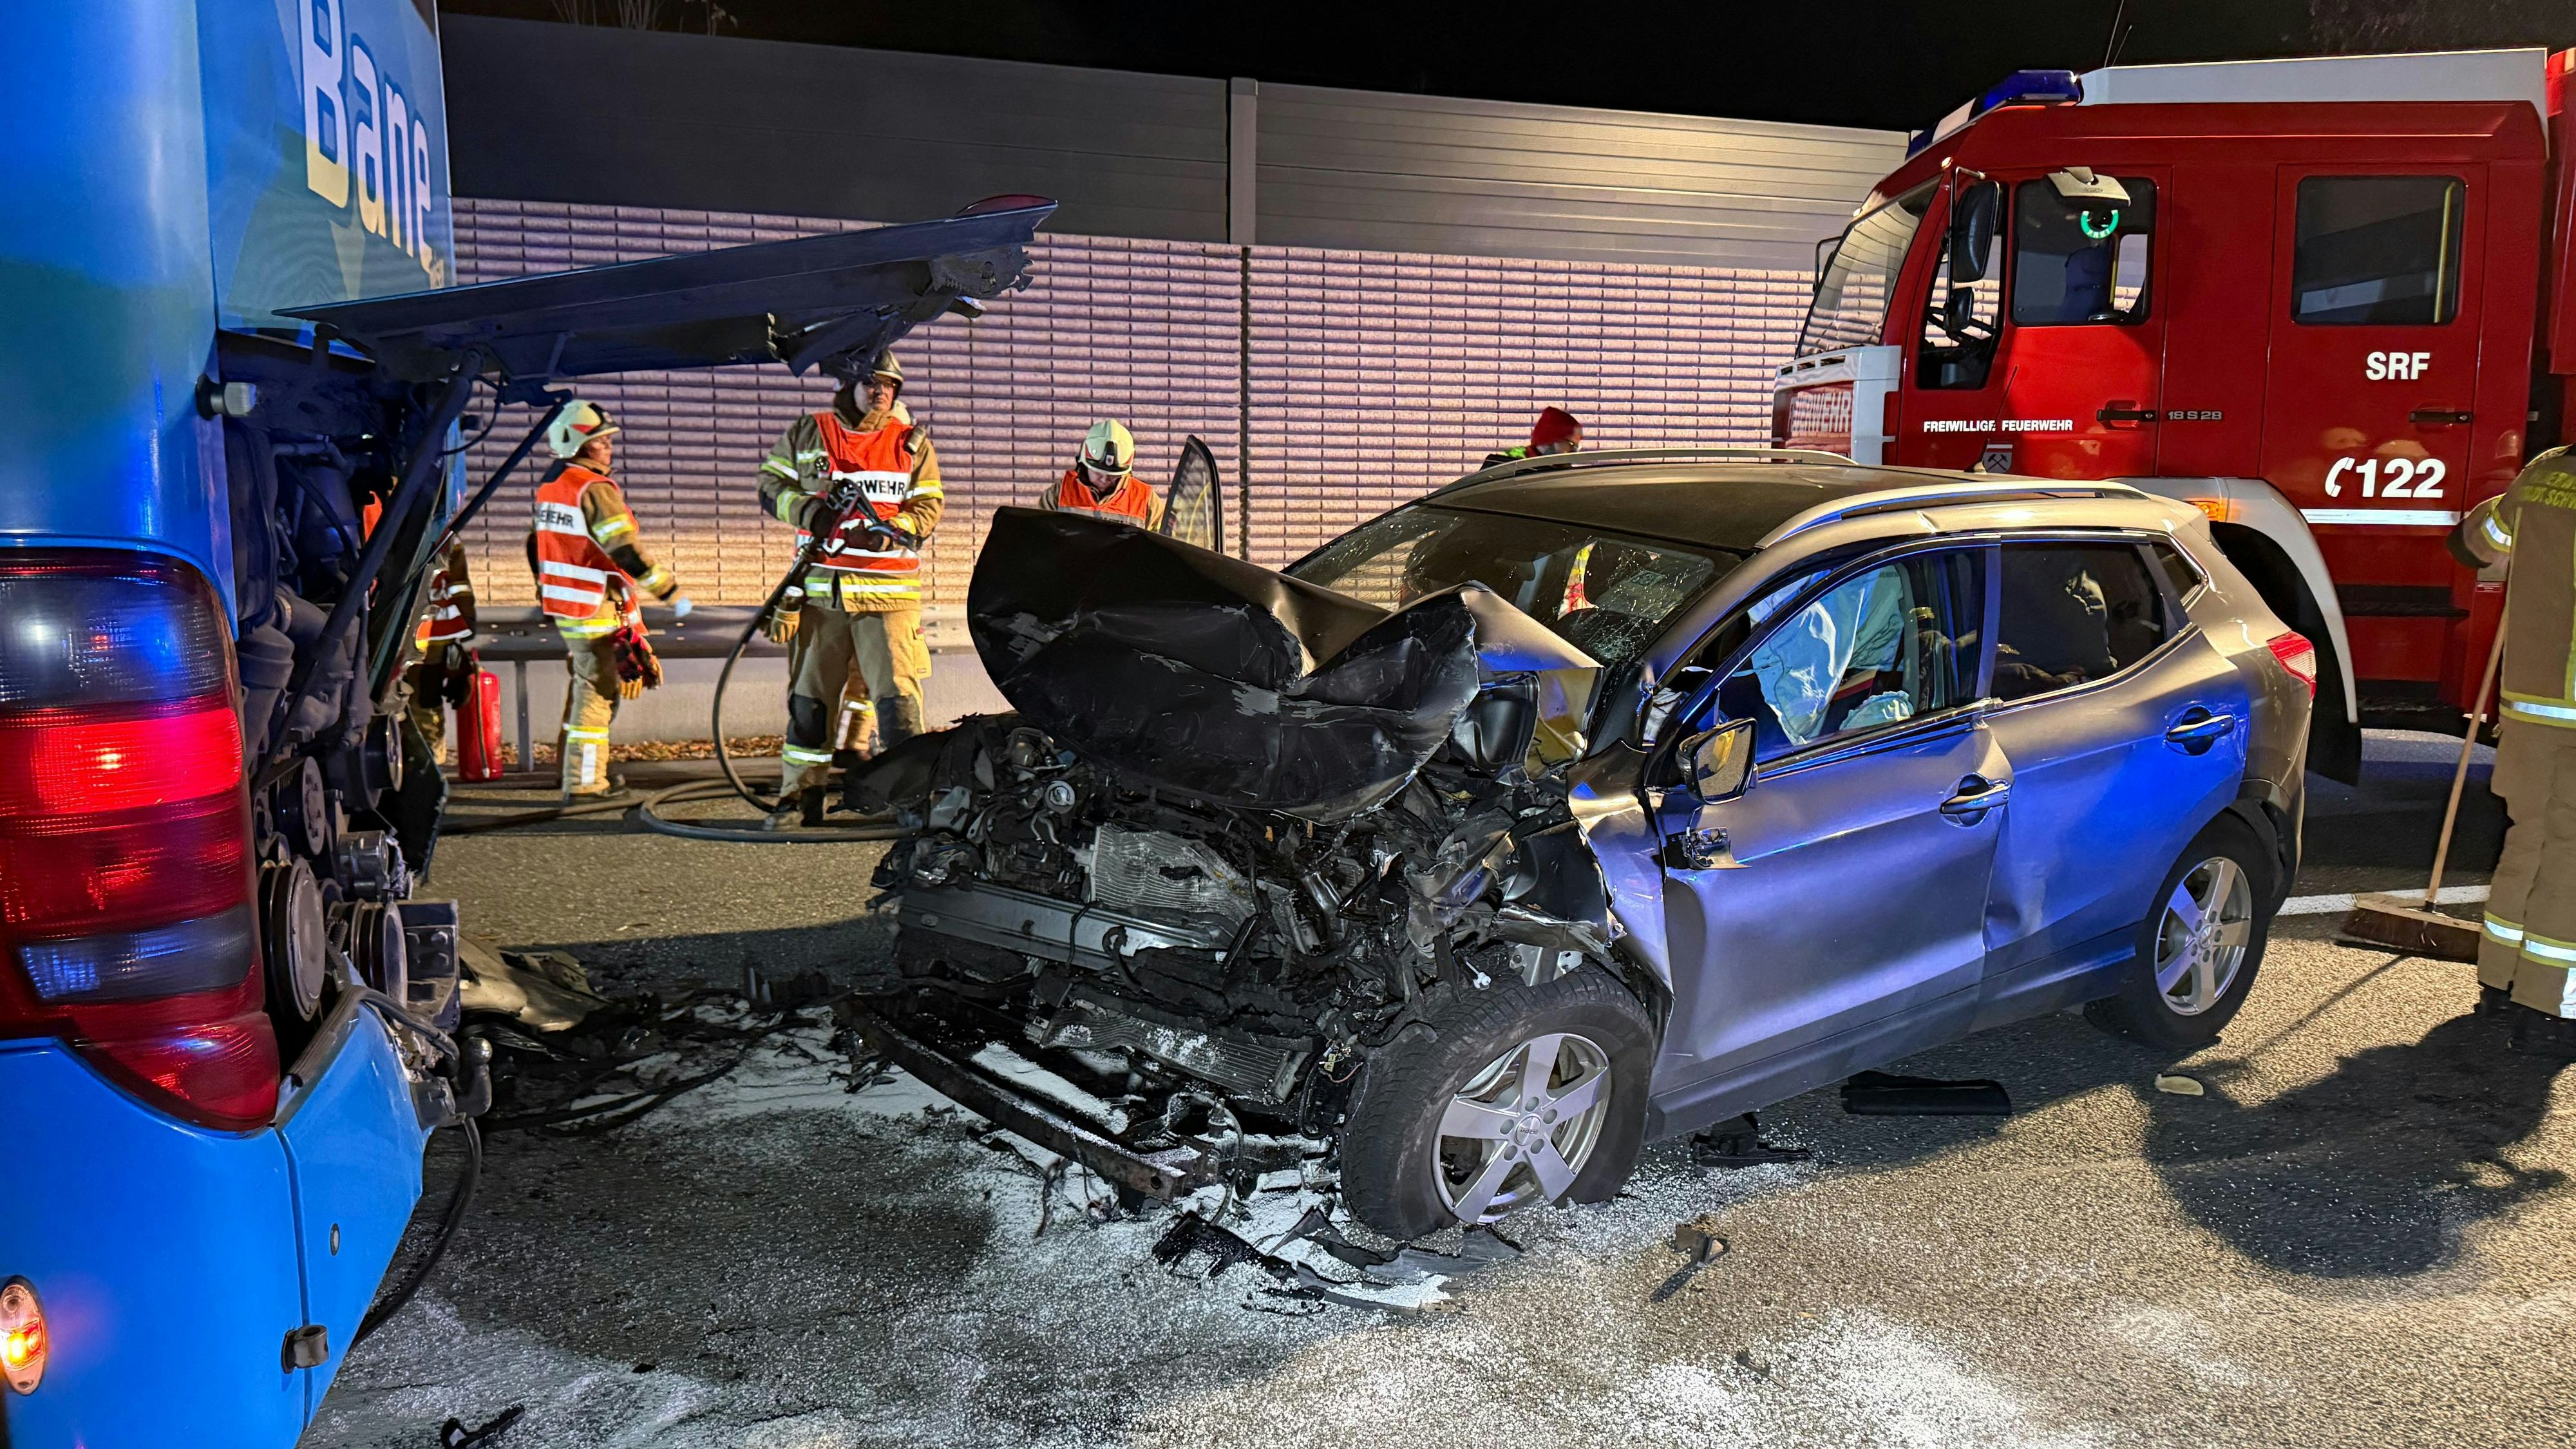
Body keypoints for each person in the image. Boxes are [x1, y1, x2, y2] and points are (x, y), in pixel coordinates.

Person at [755, 350, 942, 828]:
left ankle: (911, 806)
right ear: (849, 385)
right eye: (870, 382)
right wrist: (809, 512)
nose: (880, 391)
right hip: (822, 594)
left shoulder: (911, 443)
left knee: (898, 705)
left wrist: (890, 529)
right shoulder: (808, 433)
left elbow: (929, 507)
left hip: (888, 597)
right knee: (809, 703)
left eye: (888, 384)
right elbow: (770, 487)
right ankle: (800, 799)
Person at [2452, 444, 2576, 1037]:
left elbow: (2476, 542)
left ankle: (2498, 983)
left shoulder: (2546, 473)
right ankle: (2550, 1007)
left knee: (2529, 840)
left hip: (2529, 707)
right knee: (2571, 860)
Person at [526, 400, 690, 800]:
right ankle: (585, 783)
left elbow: (536, 545)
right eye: (601, 441)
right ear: (580, 445)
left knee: (583, 685)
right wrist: (669, 591)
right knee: (598, 695)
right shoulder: (595, 489)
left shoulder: (554, 486)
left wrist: (546, 589)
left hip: (567, 606)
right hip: (593, 608)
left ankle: (569, 771)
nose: (609, 448)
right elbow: (625, 550)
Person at [405, 540, 477, 764]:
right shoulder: (447, 535)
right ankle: (427, 761)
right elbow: (460, 584)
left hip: (420, 630)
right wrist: (467, 619)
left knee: (422, 696)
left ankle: (426, 763)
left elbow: (459, 584)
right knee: (424, 698)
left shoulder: (394, 524)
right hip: (433, 629)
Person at [1034, 419, 1162, 527]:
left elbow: (1166, 544)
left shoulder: (1146, 500)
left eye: (1113, 476)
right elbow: (1040, 536)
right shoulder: (1060, 493)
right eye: (1098, 473)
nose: (1105, 479)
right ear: (1084, 464)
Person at [1483, 406, 1584, 469]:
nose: (1574, 451)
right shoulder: (1508, 464)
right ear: (1549, 441)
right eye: (1570, 444)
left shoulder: (1565, 472)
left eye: (1577, 445)